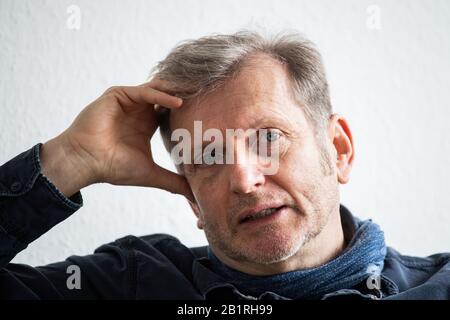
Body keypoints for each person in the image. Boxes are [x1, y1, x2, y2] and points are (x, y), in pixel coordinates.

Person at [0, 30, 449, 300]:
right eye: (207, 155)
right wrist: (68, 161)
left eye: (268, 138)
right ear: (192, 198)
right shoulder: (132, 283)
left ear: (338, 149)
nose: (244, 179)